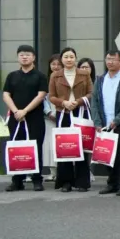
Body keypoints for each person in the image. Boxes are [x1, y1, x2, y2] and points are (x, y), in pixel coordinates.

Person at [2, 45, 49, 192]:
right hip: (16, 118)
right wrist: (16, 111)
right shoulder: (12, 76)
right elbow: (6, 95)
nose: (24, 57)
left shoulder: (40, 76)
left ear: (33, 57)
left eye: (28, 54)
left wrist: (25, 111)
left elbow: (41, 95)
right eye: (21, 54)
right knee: (17, 148)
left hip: (34, 118)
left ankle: (37, 180)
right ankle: (17, 181)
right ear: (18, 57)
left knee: (35, 147)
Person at [93, 50, 120, 197]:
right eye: (108, 59)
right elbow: (95, 102)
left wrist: (117, 120)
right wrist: (97, 122)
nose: (110, 62)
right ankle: (111, 183)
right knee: (107, 155)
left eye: (113, 59)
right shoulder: (100, 80)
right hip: (104, 124)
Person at [49, 47, 93, 193]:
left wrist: (78, 101)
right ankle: (66, 182)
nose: (69, 59)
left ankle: (82, 182)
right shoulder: (55, 75)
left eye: (71, 57)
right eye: (66, 57)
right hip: (64, 114)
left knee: (82, 147)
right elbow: (51, 96)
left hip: (80, 113)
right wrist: (63, 103)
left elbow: (91, 93)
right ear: (61, 59)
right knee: (66, 147)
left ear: (75, 58)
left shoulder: (84, 74)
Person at [42, 54, 62, 181]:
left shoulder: (66, 79)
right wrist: (49, 112)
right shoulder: (45, 80)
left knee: (62, 143)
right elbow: (43, 98)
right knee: (49, 145)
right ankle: (53, 172)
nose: (56, 66)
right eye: (53, 64)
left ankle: (62, 172)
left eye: (58, 64)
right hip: (49, 117)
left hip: (63, 113)